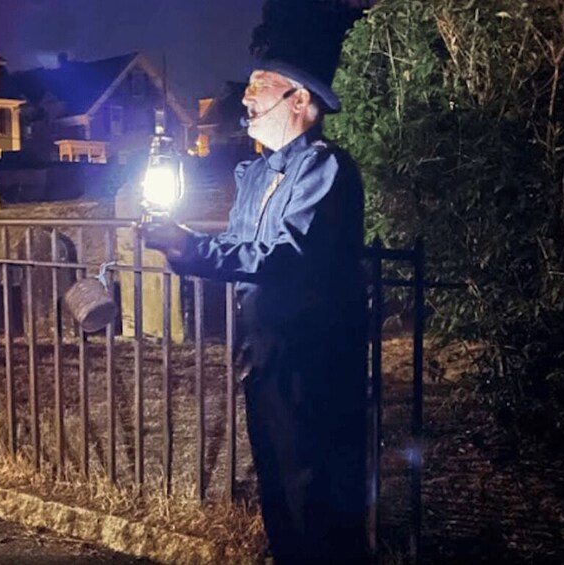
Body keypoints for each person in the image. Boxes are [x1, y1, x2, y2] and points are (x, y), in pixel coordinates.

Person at [140, 58, 369, 565]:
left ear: (299, 99)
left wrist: (193, 247)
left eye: (260, 86)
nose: (246, 97)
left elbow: (287, 255)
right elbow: (238, 249)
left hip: (314, 356)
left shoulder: (324, 168)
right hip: (264, 354)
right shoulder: (257, 173)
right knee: (277, 483)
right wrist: (181, 248)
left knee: (315, 487)